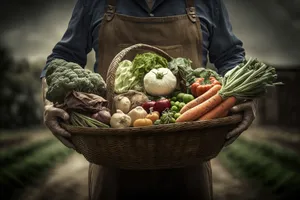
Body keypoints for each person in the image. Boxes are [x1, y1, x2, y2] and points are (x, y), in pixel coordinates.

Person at [41, 0, 256, 199]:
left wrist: (242, 94)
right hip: (112, 157)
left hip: (190, 155)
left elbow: (230, 57)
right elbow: (63, 56)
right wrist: (50, 102)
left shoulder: (206, 2)